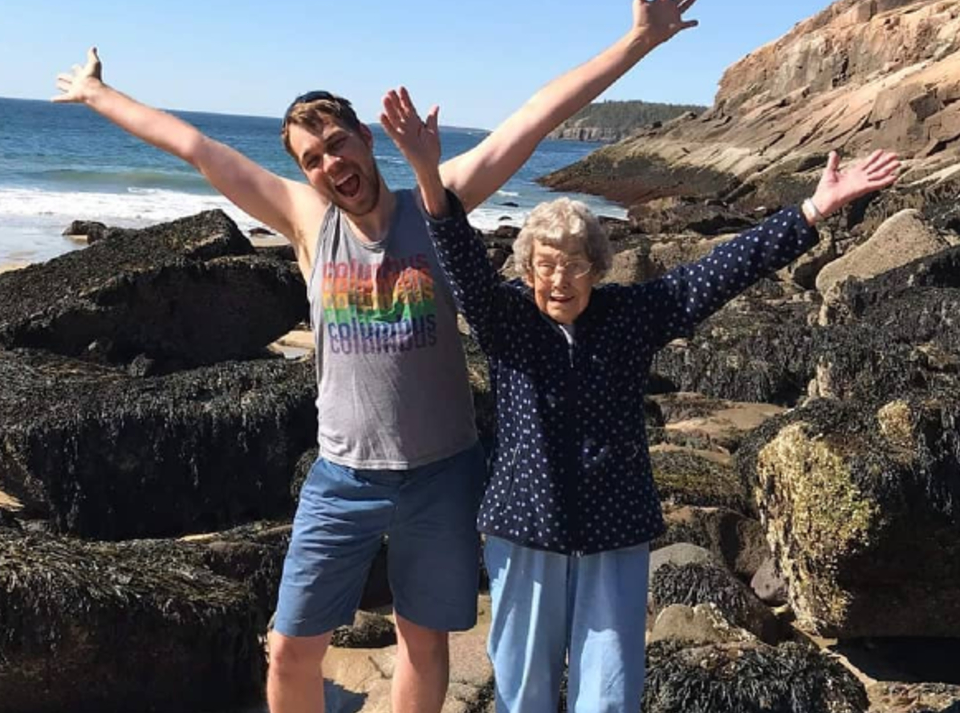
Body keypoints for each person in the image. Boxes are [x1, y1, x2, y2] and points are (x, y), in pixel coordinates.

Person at [52, 0, 699, 713]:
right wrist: (98, 94)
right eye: (312, 159)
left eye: (337, 144)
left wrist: (638, 41)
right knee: (291, 648)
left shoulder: (436, 200)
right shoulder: (306, 221)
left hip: (442, 475)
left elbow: (533, 117)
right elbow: (197, 148)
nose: (330, 164)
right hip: (343, 477)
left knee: (422, 641)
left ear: (366, 138)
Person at [378, 87, 900, 713]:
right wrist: (427, 174)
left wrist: (813, 210)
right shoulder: (505, 318)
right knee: (522, 684)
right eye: (546, 265)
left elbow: (721, 271)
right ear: (526, 270)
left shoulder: (631, 316)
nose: (559, 279)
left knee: (610, 686)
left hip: (615, 524)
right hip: (525, 525)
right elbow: (461, 261)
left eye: (575, 264)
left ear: (598, 268)